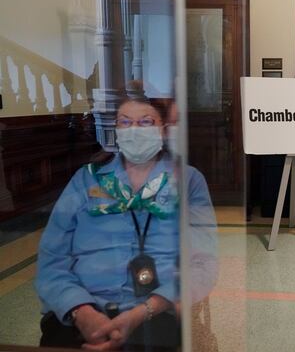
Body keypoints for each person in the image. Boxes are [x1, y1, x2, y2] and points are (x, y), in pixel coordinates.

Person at [35, 92, 217, 350]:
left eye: (145, 122)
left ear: (163, 130)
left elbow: (203, 263)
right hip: (82, 312)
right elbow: (51, 261)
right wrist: (82, 311)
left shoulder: (187, 180)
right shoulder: (86, 180)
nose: (134, 130)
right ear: (116, 130)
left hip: (156, 312)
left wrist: (143, 312)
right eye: (125, 122)